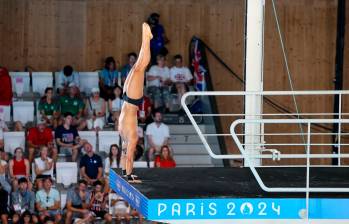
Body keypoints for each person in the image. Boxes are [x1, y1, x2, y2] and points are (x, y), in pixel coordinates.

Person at [119, 23, 152, 183]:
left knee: (140, 67)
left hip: (132, 100)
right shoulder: (124, 136)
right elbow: (124, 154)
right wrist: (124, 172)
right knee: (137, 67)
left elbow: (129, 156)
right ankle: (146, 39)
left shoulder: (131, 137)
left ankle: (146, 39)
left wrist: (129, 176)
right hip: (126, 97)